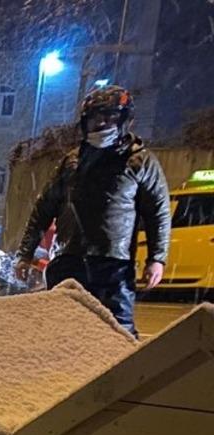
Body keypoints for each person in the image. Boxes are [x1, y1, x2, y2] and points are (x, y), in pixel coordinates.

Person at [14, 85, 170, 336]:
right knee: (60, 330)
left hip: (113, 264)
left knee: (118, 332)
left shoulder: (140, 161)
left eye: (110, 118)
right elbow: (44, 208)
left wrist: (157, 258)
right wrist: (25, 253)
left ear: (124, 120)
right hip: (68, 259)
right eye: (96, 118)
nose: (102, 125)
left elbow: (158, 213)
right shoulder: (71, 162)